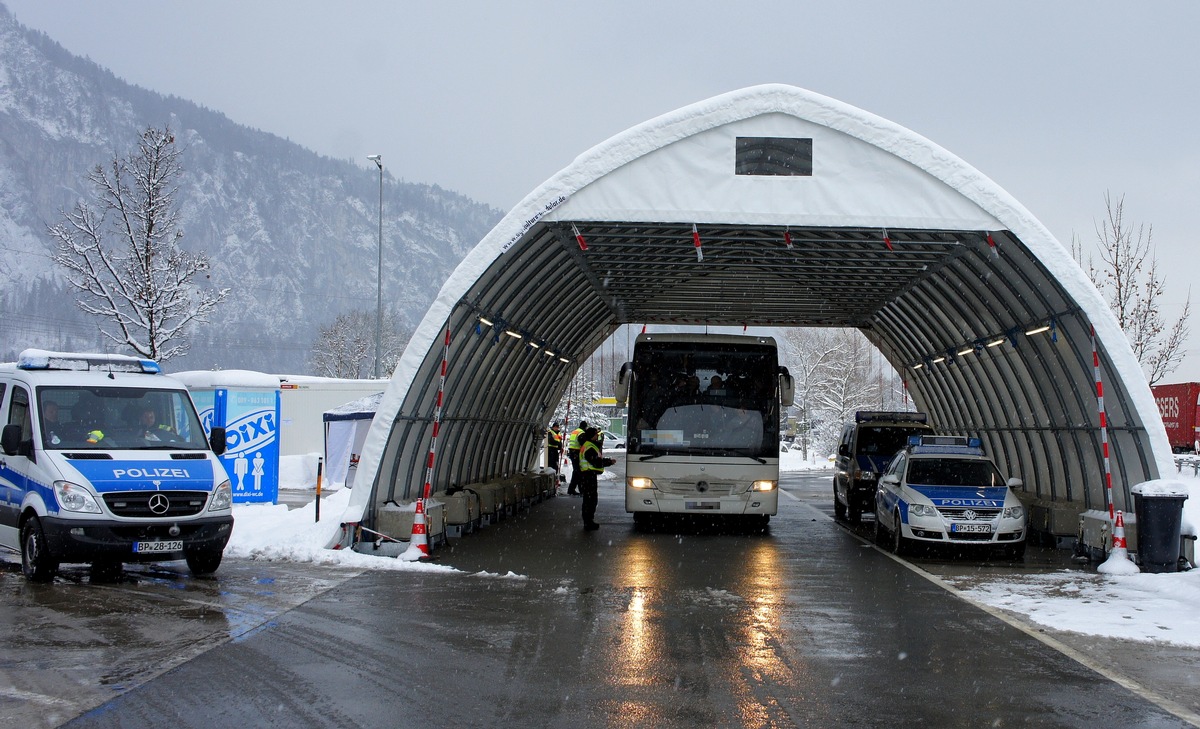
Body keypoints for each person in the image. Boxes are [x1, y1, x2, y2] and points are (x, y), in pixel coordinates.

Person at [578, 426, 615, 530]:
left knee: (589, 500)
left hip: (587, 476)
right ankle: (588, 522)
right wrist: (608, 462)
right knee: (590, 500)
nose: (597, 436)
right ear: (592, 435)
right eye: (596, 434)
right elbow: (596, 461)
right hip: (589, 476)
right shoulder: (589, 447)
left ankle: (588, 521)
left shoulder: (588, 445)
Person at [566, 420, 588, 496]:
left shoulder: (575, 431)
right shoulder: (581, 433)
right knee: (579, 472)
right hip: (576, 453)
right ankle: (581, 490)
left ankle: (571, 489)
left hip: (572, 452)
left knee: (576, 472)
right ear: (585, 427)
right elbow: (583, 443)